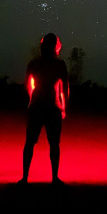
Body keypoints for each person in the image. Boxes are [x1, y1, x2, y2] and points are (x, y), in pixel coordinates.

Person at [20, 33, 69, 185]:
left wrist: (31, 100)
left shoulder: (34, 63)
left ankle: (25, 178)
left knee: (30, 143)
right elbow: (64, 89)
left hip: (36, 106)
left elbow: (28, 85)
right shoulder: (59, 64)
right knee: (54, 144)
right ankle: (54, 178)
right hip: (53, 106)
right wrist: (63, 107)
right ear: (55, 46)